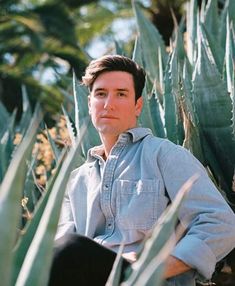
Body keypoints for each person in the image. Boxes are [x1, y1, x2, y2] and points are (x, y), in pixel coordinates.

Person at [48, 55, 235, 286]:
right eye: (100, 94)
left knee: (70, 249)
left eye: (121, 94)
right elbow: (53, 252)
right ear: (89, 104)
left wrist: (149, 268)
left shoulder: (164, 155)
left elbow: (221, 222)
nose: (108, 104)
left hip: (148, 280)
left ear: (138, 105)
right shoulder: (76, 181)